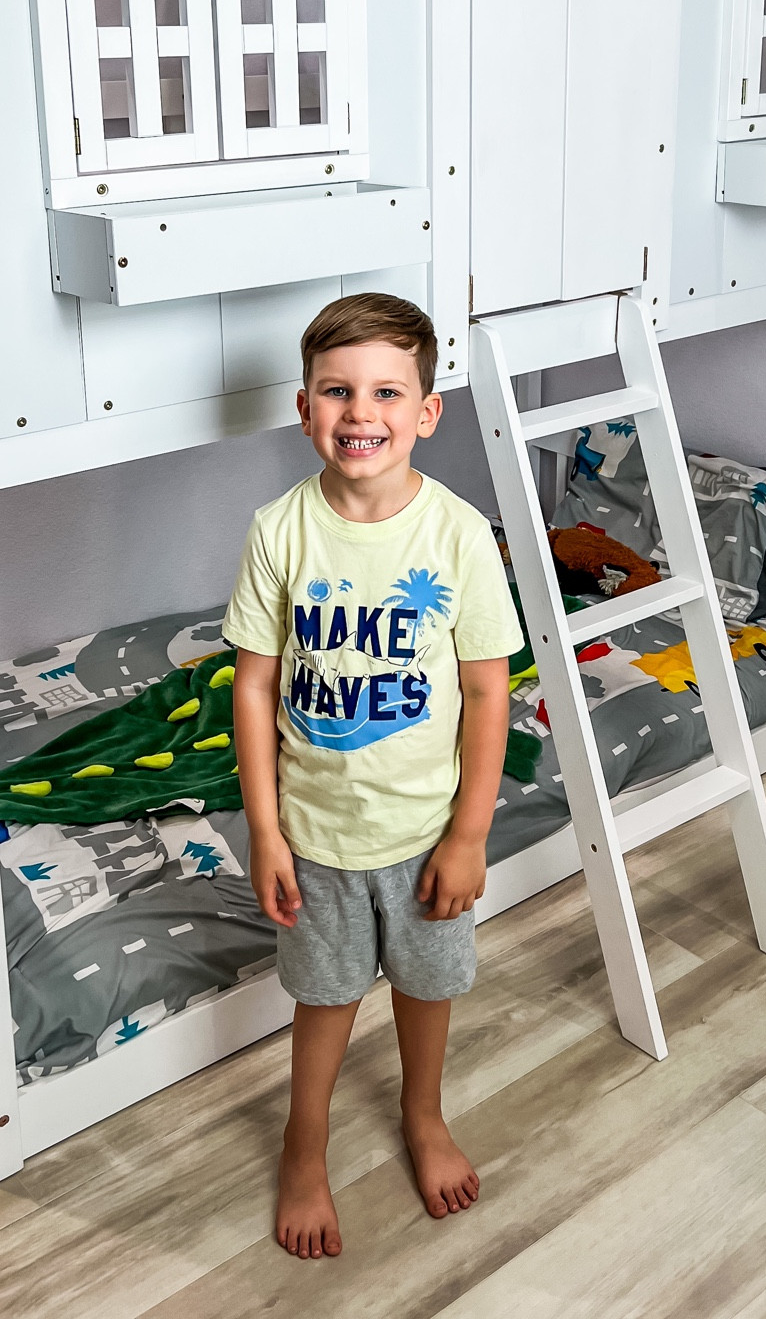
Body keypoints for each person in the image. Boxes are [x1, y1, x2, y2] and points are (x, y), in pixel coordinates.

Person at [224, 291, 522, 1261]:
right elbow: (254, 686)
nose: (361, 412)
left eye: (387, 392)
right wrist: (265, 831)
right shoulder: (280, 530)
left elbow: (487, 692)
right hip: (317, 835)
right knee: (325, 998)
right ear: (304, 408)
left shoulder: (459, 535)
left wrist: (470, 835)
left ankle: (422, 1114)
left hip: (427, 831)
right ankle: (303, 1144)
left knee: (427, 988)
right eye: (337, 391)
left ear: (426, 413)